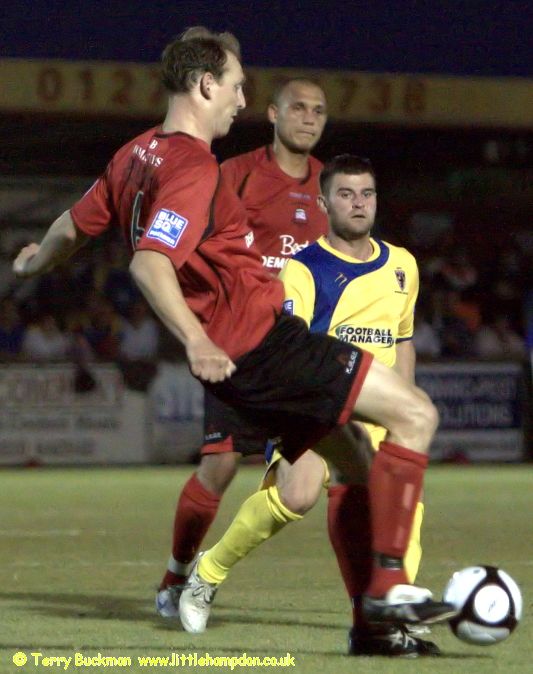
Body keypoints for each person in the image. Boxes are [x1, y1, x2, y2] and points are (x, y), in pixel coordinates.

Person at [13, 26, 455, 650]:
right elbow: (149, 262)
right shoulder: (194, 166)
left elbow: (73, 223)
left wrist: (33, 262)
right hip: (261, 346)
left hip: (240, 361)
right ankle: (388, 592)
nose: (242, 102)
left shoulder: (135, 155)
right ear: (204, 84)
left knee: (354, 461)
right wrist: (196, 339)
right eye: (237, 87)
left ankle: (369, 629)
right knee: (416, 414)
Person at [178, 154, 438, 656]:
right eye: (346, 194)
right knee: (297, 494)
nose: (358, 203)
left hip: (380, 406)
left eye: (367, 194)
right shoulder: (303, 269)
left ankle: (388, 614)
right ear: (323, 204)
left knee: (404, 504)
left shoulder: (403, 265)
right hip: (321, 399)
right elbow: (293, 352)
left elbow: (402, 339)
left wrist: (402, 405)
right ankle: (207, 572)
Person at [156, 77, 329, 609]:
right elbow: (188, 243)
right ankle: (176, 577)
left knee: (319, 480)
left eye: (319, 111)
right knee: (222, 466)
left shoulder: (333, 185)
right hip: (241, 342)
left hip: (305, 350)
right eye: (298, 108)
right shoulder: (234, 175)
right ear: (272, 114)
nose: (309, 118)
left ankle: (375, 597)